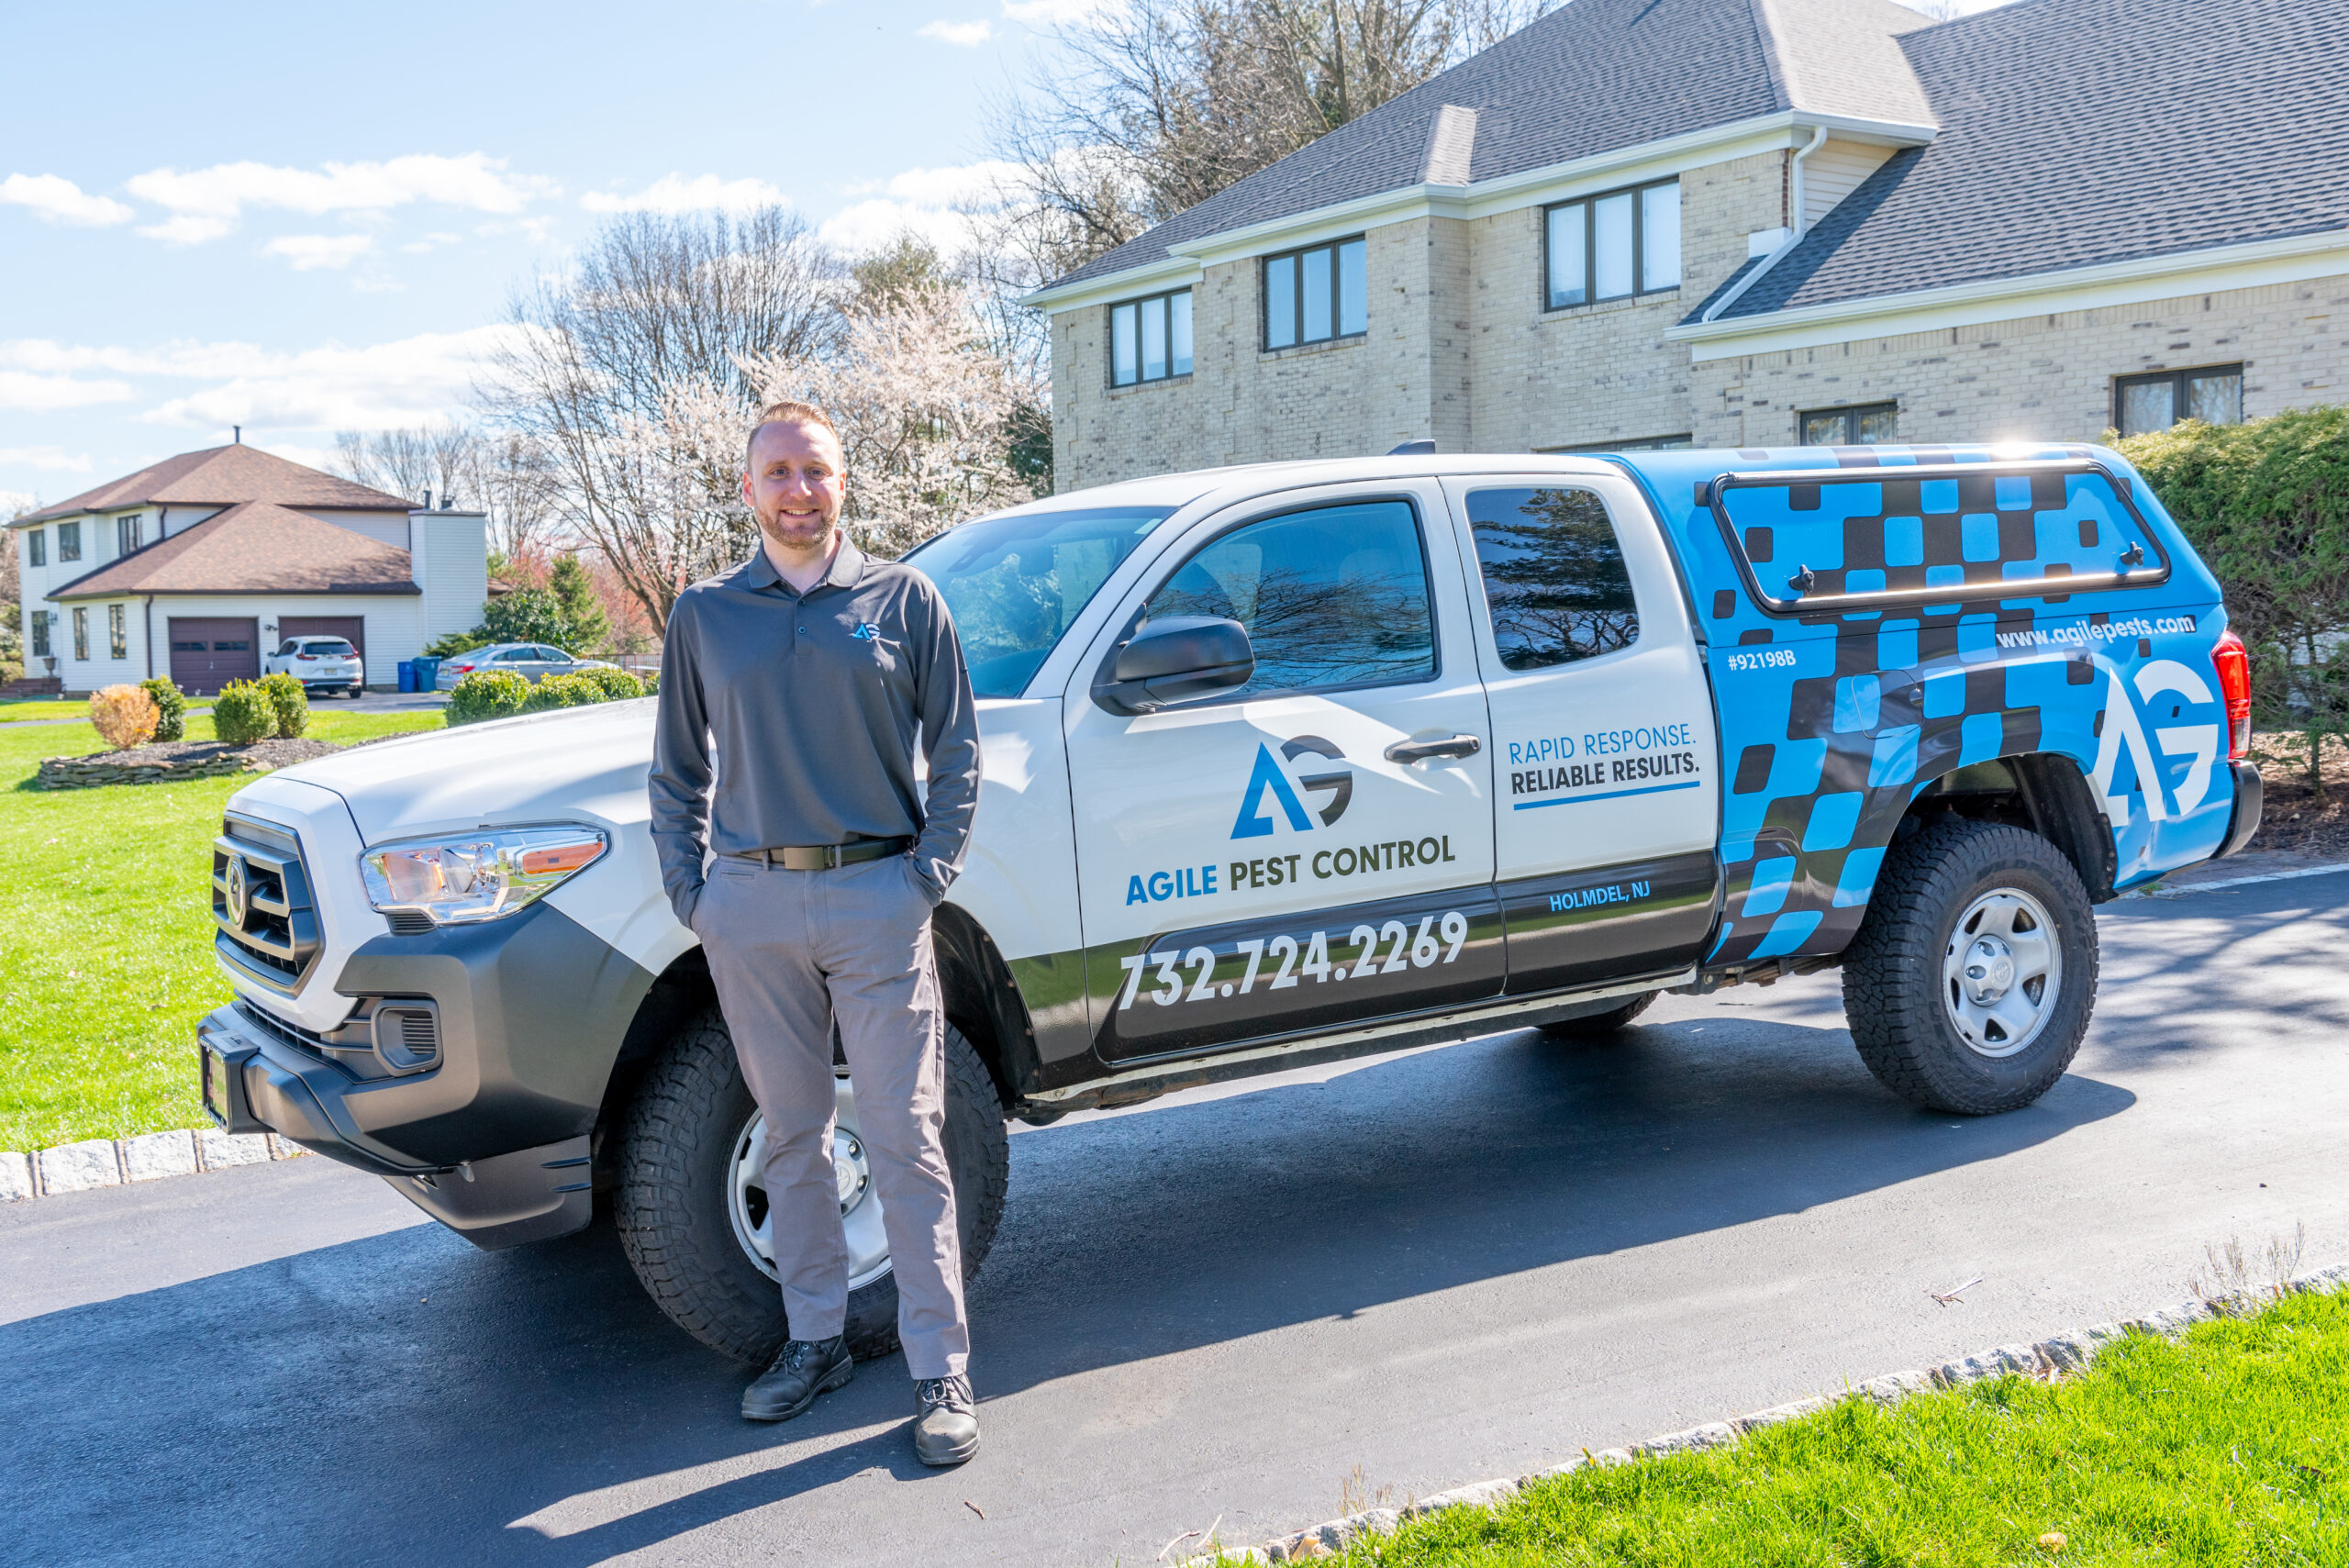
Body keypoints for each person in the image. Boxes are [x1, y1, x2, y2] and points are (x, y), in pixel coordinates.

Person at [647, 399, 985, 1466]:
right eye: (779, 472)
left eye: (817, 470)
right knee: (791, 1133)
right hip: (751, 906)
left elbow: (961, 751)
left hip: (877, 895)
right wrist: (695, 894)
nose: (799, 489)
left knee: (904, 1135)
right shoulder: (705, 615)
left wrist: (925, 875)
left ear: (845, 483)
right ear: (749, 490)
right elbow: (676, 770)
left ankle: (941, 1367)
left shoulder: (904, 600)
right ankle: (814, 1341)